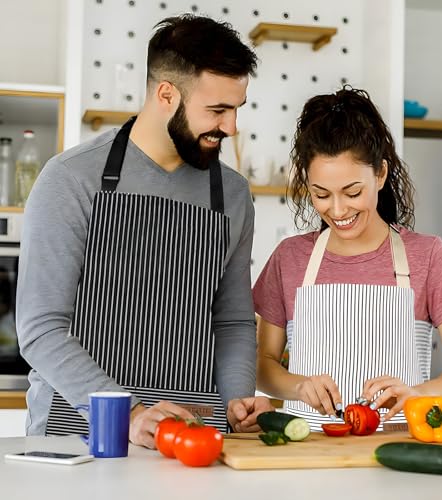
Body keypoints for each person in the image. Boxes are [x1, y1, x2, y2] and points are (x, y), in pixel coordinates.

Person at [16, 14, 273, 448]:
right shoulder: (71, 178)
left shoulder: (231, 194)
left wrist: (235, 402)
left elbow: (231, 321)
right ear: (166, 94)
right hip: (75, 432)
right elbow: (41, 329)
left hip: (189, 439)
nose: (231, 127)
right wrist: (128, 411)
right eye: (217, 110)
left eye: (236, 109)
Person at [253, 87, 442, 431]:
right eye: (321, 194)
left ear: (379, 174)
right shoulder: (290, 258)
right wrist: (299, 386)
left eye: (352, 192)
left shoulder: (428, 256)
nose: (337, 209)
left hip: (399, 450)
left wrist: (419, 393)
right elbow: (263, 364)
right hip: (308, 453)